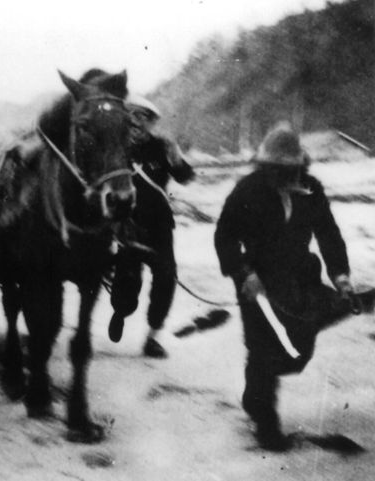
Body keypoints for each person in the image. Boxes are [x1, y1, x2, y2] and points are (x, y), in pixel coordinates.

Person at [214, 121, 370, 450]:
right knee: (262, 349)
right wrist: (243, 273)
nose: (283, 175)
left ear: (300, 165)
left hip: (300, 278)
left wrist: (340, 275)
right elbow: (224, 236)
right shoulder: (248, 190)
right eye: (275, 168)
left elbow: (328, 233)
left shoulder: (311, 188)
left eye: (289, 169)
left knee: (297, 352)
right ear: (265, 166)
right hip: (257, 281)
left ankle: (255, 394)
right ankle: (266, 424)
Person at [107, 97, 195, 358]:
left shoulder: (161, 147)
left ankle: (152, 338)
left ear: (150, 123)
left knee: (166, 279)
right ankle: (121, 312)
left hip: (160, 226)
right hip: (128, 224)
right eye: (131, 117)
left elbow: (185, 177)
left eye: (142, 118)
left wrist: (176, 157)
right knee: (127, 282)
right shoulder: (115, 148)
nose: (136, 123)